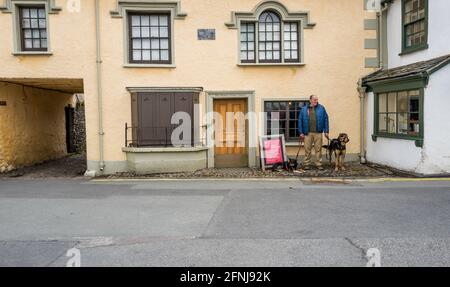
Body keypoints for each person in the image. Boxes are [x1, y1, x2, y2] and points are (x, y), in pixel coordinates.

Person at [298, 95, 329, 170]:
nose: (316, 101)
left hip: (318, 132)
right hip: (307, 133)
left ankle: (318, 164)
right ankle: (306, 164)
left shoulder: (321, 108)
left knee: (318, 149)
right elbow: (300, 120)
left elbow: (326, 119)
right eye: (314, 100)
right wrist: (301, 132)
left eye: (317, 99)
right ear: (310, 100)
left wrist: (326, 131)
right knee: (307, 149)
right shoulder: (304, 109)